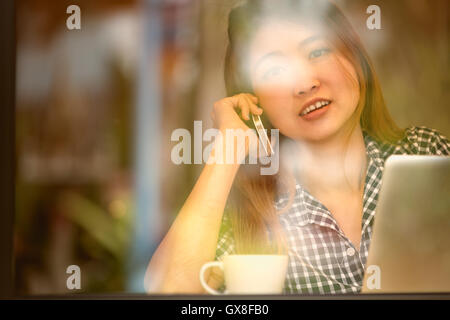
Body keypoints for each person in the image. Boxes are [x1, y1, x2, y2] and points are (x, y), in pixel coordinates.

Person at [145, 0, 450, 294]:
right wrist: (228, 147)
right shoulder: (249, 218)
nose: (304, 84)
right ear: (255, 102)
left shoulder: (425, 151)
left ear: (355, 59)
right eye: (274, 71)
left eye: (317, 51)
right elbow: (171, 290)